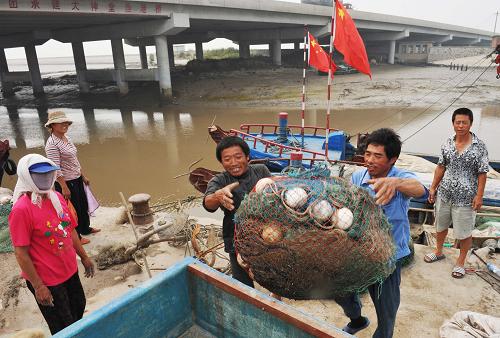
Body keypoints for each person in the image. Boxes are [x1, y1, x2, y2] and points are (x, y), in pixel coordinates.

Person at [335, 128, 427, 337]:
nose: (370, 160)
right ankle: (357, 320)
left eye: (378, 156)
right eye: (368, 154)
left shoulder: (401, 178)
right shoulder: (359, 176)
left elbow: (421, 190)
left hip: (389, 256)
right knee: (340, 291)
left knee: (386, 310)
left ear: (392, 159)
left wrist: (395, 184)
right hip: (359, 250)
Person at [8, 154, 95, 335]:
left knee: (79, 307)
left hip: (69, 269)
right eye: (39, 175)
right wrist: (39, 286)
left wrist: (84, 257)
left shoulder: (56, 197)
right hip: (47, 279)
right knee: (62, 324)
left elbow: (69, 229)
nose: (46, 179)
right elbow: (21, 253)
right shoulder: (21, 210)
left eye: (49, 174)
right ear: (27, 177)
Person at [424, 108, 488, 279]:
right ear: (453, 124)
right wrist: (433, 187)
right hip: (445, 194)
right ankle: (438, 251)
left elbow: (482, 173)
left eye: (464, 122)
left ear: (470, 124)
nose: (460, 126)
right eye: (457, 122)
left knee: (464, 232)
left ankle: (460, 262)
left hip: (466, 198)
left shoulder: (479, 147)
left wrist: (479, 196)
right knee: (441, 226)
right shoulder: (447, 144)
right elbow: (440, 167)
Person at [203, 136, 271, 287]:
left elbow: (274, 191)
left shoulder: (261, 171)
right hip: (236, 239)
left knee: (271, 275)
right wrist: (218, 196)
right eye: (227, 159)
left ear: (247, 157)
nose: (233, 163)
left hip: (265, 234)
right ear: (221, 162)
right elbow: (208, 204)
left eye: (238, 157)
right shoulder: (219, 180)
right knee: (243, 283)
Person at [44, 111, 100, 244]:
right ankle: (77, 238)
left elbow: (74, 160)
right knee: (72, 210)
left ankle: (85, 228)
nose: (65, 125)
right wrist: (64, 187)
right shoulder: (52, 144)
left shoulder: (66, 138)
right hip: (66, 181)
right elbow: (55, 168)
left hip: (76, 178)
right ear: (52, 125)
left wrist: (83, 176)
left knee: (82, 205)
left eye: (66, 122)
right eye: (61, 122)